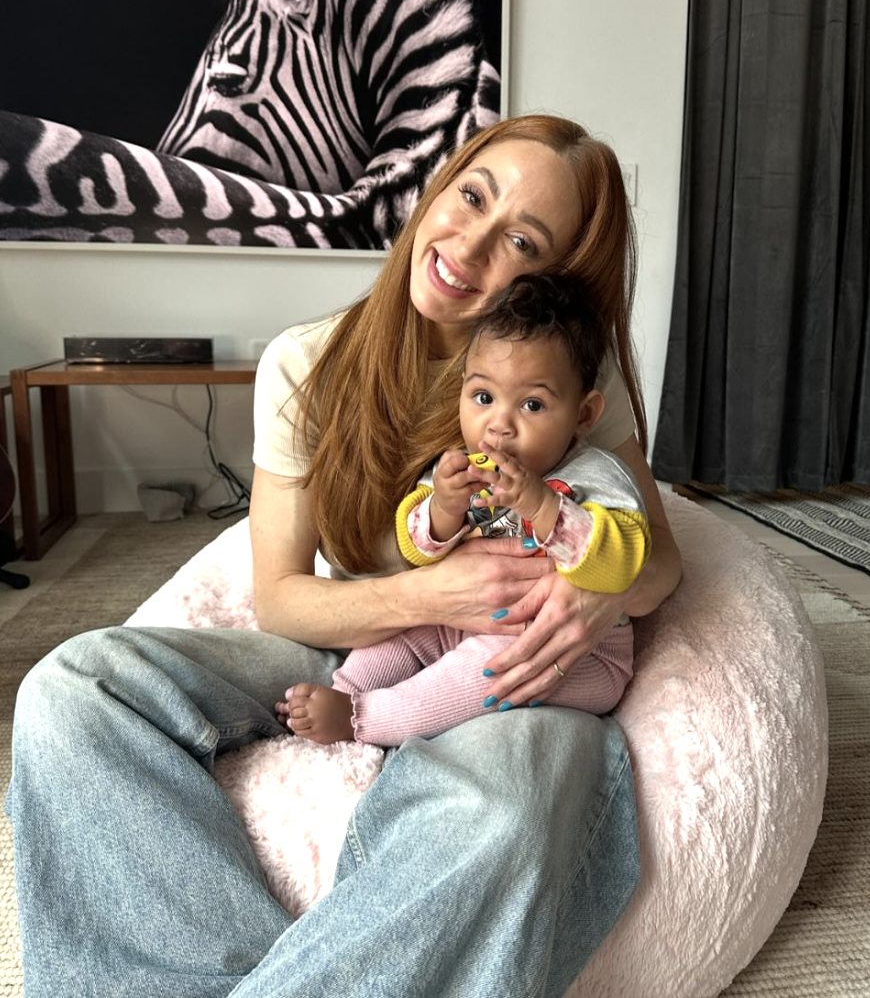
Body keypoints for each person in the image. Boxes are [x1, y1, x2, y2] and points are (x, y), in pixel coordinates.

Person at [7, 114, 682, 998]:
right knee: (72, 687)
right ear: (438, 189)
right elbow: (283, 599)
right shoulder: (307, 361)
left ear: (551, 281)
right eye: (471, 196)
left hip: (520, 668)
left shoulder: (563, 396)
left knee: (503, 811)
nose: (469, 243)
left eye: (520, 239)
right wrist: (435, 591)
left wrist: (600, 593)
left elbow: (661, 559)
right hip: (357, 642)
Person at [276, 271, 651, 746]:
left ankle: (366, 719)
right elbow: (415, 548)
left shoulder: (594, 474)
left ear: (583, 415)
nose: (500, 425)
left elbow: (624, 561)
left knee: (480, 670)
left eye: (532, 405)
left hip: (569, 652)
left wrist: (540, 502)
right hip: (460, 623)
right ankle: (344, 692)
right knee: (399, 638)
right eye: (483, 397)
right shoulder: (463, 469)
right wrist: (444, 509)